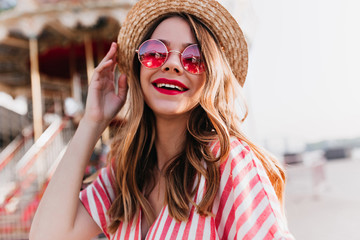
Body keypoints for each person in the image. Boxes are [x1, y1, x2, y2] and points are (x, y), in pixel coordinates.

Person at [30, 0, 294, 239]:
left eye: (194, 58)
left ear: (210, 77)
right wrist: (92, 122)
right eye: (155, 52)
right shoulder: (125, 175)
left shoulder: (227, 162)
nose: (172, 65)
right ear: (137, 67)